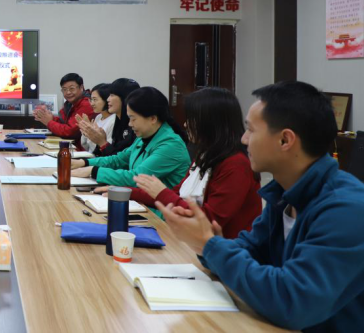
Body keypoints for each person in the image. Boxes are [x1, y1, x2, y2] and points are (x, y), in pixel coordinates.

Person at [155, 81, 364, 332]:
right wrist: (210, 244)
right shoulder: (284, 194)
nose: (243, 139)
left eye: (251, 130)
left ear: (285, 140)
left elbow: (292, 301)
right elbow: (249, 249)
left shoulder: (346, 209)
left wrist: (210, 245)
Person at [130, 88, 261, 238]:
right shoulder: (206, 154)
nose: (186, 125)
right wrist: (124, 192)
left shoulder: (236, 164)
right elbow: (177, 193)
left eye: (192, 119)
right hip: (194, 240)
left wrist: (161, 193)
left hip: (223, 247)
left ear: (209, 122)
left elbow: (209, 220)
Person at [72, 87, 189, 192]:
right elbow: (118, 160)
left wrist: (93, 171)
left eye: (133, 119)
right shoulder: (144, 137)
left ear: (153, 118)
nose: (130, 124)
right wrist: (84, 162)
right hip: (139, 200)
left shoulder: (171, 145)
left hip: (157, 208)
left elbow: (137, 178)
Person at [32, 73, 94, 148]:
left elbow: (69, 132)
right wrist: (50, 118)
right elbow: (64, 122)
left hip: (81, 150)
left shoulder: (87, 104)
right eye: (64, 89)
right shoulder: (70, 103)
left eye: (72, 88)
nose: (68, 92)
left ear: (81, 87)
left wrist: (49, 122)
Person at [77, 83, 116, 154]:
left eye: (95, 100)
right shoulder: (98, 117)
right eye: (91, 100)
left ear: (106, 99)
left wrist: (91, 133)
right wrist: (86, 132)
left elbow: (103, 151)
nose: (92, 103)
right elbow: (86, 147)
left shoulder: (113, 120)